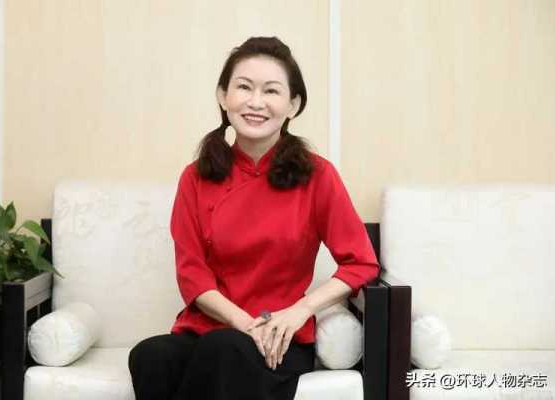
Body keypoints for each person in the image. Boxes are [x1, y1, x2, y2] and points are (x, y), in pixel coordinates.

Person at [128, 36, 380, 400]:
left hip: (280, 337)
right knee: (150, 355)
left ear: (293, 105)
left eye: (271, 91)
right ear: (223, 96)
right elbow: (192, 274)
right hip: (212, 328)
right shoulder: (195, 177)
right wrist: (244, 324)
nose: (256, 102)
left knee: (224, 349)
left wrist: (300, 310)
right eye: (244, 87)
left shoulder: (318, 175)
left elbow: (361, 263)